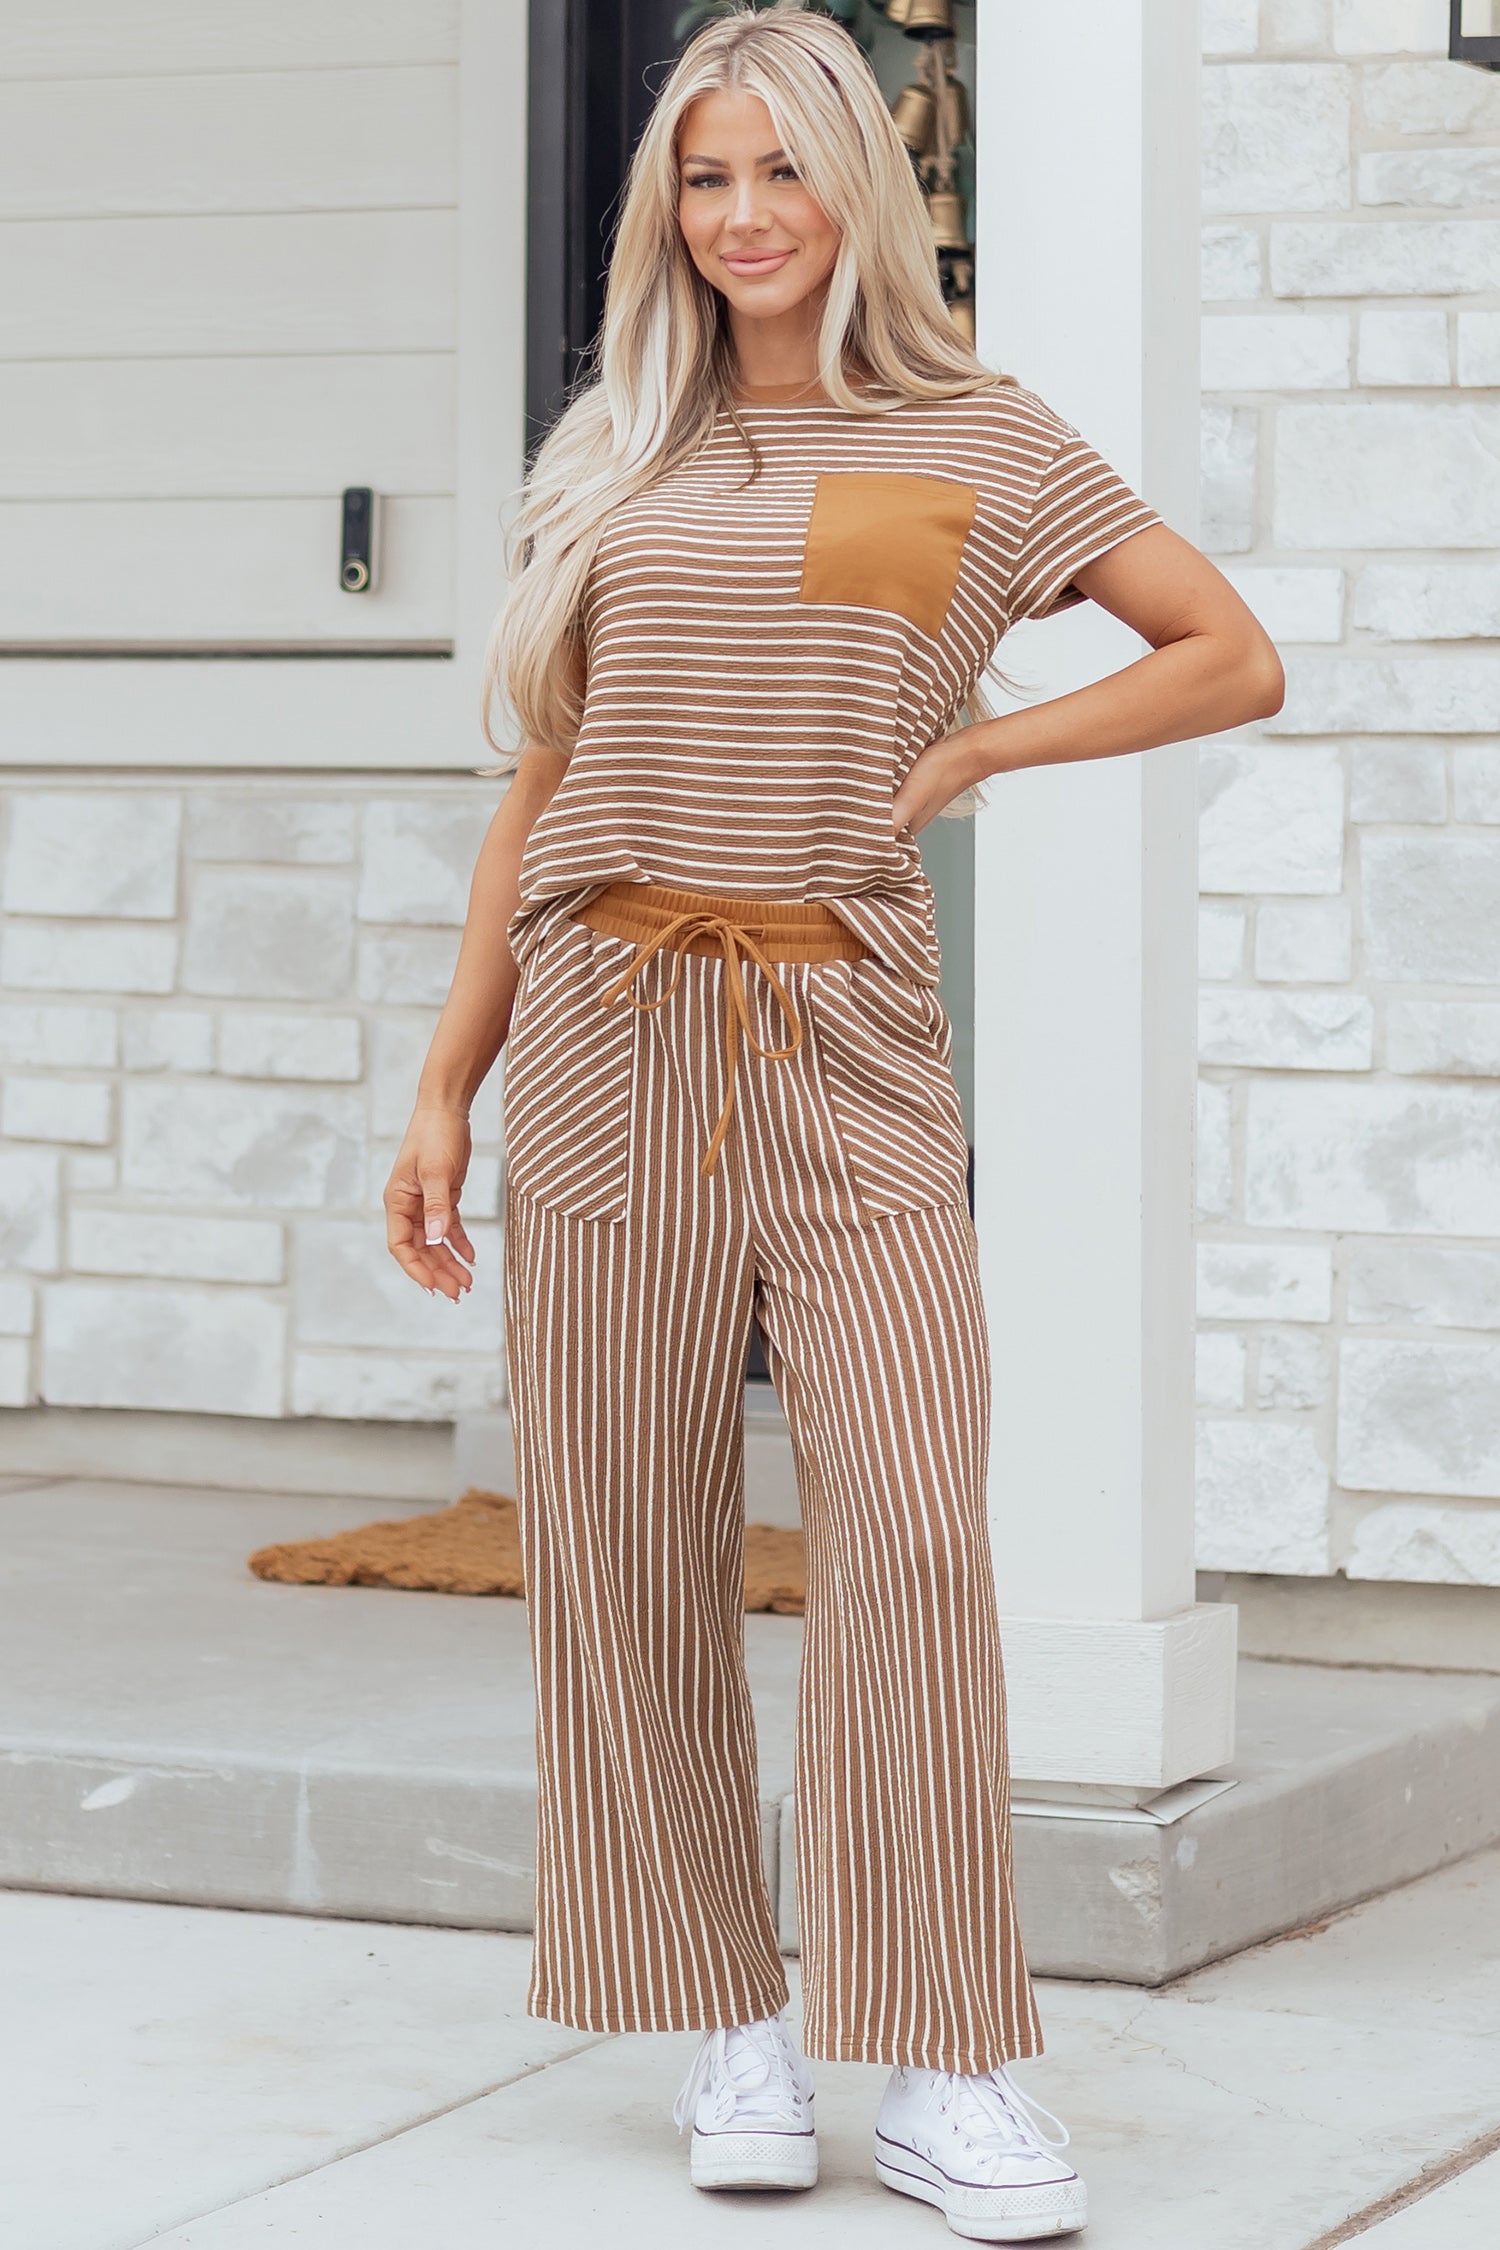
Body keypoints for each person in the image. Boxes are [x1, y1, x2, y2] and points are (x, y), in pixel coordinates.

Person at [385, 5, 1282, 2238]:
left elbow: (1226, 652)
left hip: (850, 1036)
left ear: (858, 188)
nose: (743, 215)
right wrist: (443, 1082)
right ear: (666, 212)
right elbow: (539, 792)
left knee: (911, 1534)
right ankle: (731, 2022)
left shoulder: (981, 435)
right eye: (705, 178)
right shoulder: (624, 450)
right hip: (604, 1034)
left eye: (782, 169)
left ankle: (952, 2060)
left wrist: (977, 750)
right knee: (623, 1547)